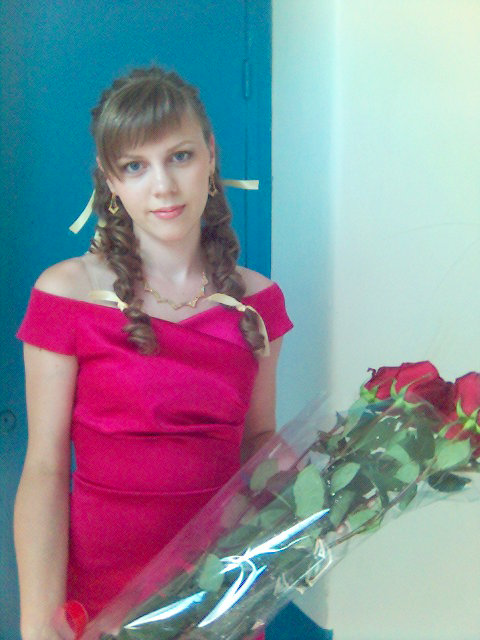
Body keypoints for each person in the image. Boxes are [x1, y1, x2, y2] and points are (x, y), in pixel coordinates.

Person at [14, 67, 293, 639]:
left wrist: (302, 471)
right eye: (136, 166)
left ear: (211, 156)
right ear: (109, 180)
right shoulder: (65, 294)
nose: (163, 186)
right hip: (100, 596)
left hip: (220, 590)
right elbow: (44, 468)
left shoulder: (259, 301)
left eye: (180, 156)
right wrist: (38, 619)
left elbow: (258, 438)